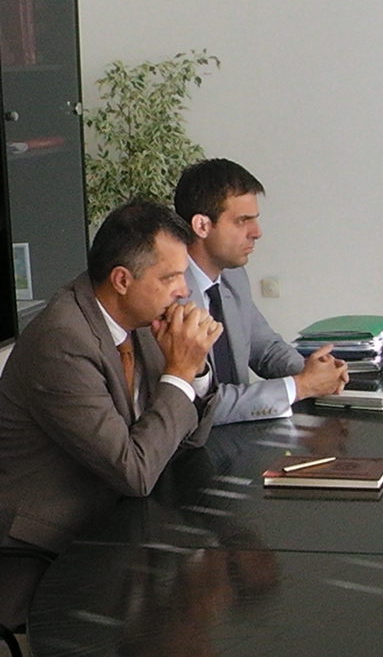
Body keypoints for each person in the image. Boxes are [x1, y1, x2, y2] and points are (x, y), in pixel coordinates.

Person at [0, 200, 222, 629]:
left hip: (115, 531)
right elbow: (134, 473)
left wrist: (193, 371)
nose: (184, 291)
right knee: (185, 617)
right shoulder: (63, 340)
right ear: (122, 280)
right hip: (49, 553)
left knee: (203, 593)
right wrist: (178, 372)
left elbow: (188, 441)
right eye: (170, 277)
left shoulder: (140, 322)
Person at [173, 158, 348, 426]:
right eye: (242, 221)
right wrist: (300, 386)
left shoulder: (233, 276)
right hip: (194, 441)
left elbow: (264, 347)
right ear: (202, 226)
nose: (257, 232)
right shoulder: (170, 293)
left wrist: (315, 370)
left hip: (241, 432)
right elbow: (200, 404)